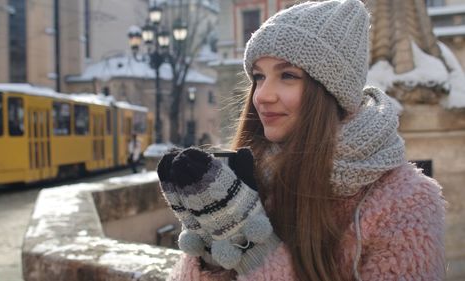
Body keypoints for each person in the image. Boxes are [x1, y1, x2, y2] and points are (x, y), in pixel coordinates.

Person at [157, 1, 446, 280]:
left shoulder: (404, 202)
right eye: (258, 76)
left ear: (330, 90)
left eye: (287, 75)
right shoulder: (248, 176)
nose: (262, 95)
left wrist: (255, 253)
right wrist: (210, 250)